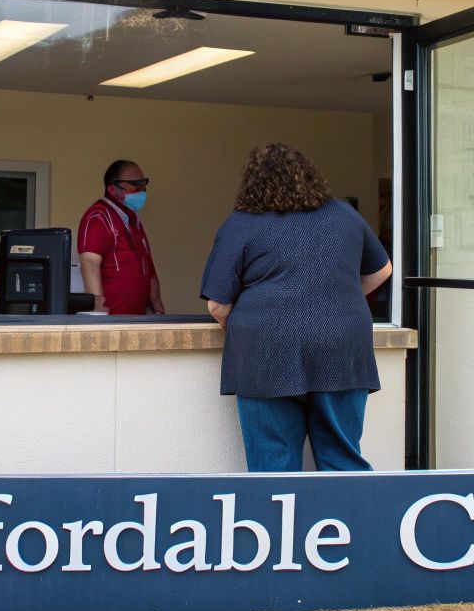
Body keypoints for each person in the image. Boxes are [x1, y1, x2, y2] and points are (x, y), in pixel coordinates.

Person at [201, 143, 393, 472]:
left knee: (273, 467)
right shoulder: (344, 214)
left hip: (266, 353)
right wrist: (338, 298)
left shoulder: (243, 222)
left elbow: (218, 305)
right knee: (343, 461)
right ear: (309, 176)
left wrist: (255, 321)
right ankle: (347, 523)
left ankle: (278, 524)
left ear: (251, 182)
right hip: (341, 347)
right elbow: (382, 271)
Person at [77, 160, 164, 315]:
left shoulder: (133, 220)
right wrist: (98, 311)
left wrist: (156, 302)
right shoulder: (98, 217)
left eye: (144, 183)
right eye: (135, 184)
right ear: (112, 188)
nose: (142, 189)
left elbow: (148, 267)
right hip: (112, 321)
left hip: (138, 319)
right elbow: (89, 262)